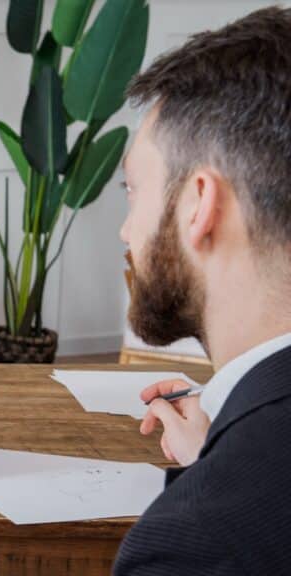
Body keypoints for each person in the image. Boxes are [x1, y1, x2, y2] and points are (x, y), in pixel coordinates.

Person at [113, 6, 291, 574]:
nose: (125, 231)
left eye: (132, 191)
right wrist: (220, 452)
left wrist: (225, 476)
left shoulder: (190, 544)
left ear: (199, 204)